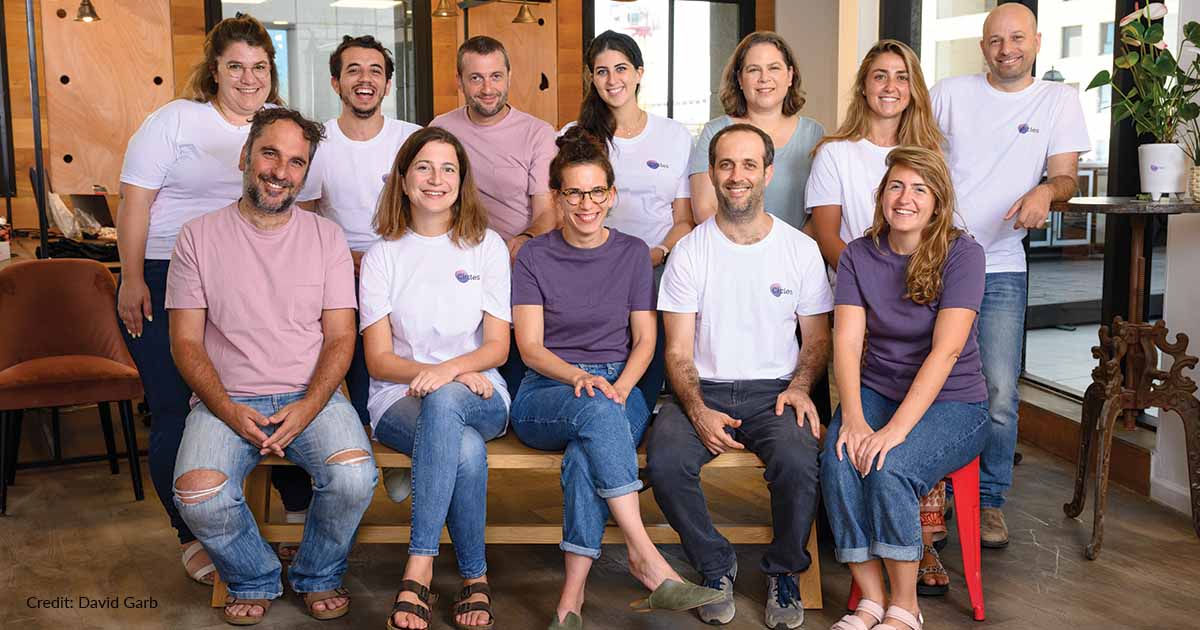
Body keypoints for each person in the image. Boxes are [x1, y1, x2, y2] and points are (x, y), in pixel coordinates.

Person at [115, 14, 311, 587]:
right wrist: (131, 278)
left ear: (271, 71)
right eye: (236, 67)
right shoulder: (175, 120)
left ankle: (289, 515)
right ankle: (192, 534)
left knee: (275, 393)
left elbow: (303, 208)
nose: (249, 78)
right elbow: (134, 203)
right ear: (215, 70)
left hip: (252, 279)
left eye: (259, 67)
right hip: (164, 274)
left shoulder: (282, 126)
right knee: (176, 407)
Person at [167, 108, 376, 626]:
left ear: (306, 172)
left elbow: (341, 337)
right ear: (245, 156)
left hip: (313, 397)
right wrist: (228, 410)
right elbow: (186, 343)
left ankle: (319, 573)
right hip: (227, 399)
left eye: (296, 162)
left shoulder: (326, 238)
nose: (281, 171)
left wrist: (308, 407)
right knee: (198, 496)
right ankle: (253, 576)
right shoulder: (196, 237)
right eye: (270, 154)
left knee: (354, 479)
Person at [509, 127, 722, 630]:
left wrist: (622, 388)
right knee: (598, 413)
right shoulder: (534, 256)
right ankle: (645, 555)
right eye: (574, 193)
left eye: (596, 192)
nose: (586, 204)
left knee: (586, 456)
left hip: (619, 384)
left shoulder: (632, 253)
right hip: (548, 390)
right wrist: (582, 379)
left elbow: (645, 340)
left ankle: (570, 600)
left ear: (612, 195)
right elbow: (531, 349)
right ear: (557, 197)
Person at [646, 124, 832, 629]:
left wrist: (799, 388)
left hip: (777, 392)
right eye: (726, 164)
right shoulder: (691, 251)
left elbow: (817, 338)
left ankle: (784, 570)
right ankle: (715, 564)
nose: (737, 175)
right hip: (701, 389)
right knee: (665, 461)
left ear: (768, 173)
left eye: (749, 164)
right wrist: (696, 409)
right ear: (711, 173)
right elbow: (677, 350)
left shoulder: (799, 249)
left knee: (799, 460)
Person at [931, 2, 1090, 547]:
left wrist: (1046, 189)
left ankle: (988, 500)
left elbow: (1066, 176)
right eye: (996, 40)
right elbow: (916, 161)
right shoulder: (949, 93)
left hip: (1001, 264)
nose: (1007, 50)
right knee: (934, 380)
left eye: (1018, 38)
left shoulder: (1058, 100)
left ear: (1037, 42)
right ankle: (933, 493)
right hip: (938, 260)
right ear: (983, 47)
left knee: (998, 389)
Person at [805, 39, 953, 596]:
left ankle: (922, 541)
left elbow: (941, 233)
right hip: (855, 300)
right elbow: (825, 233)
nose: (890, 86)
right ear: (863, 86)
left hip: (926, 299)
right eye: (879, 76)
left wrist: (909, 287)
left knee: (923, 410)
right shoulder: (835, 153)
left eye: (901, 76)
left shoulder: (933, 151)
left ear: (914, 88)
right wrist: (875, 283)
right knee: (858, 427)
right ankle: (865, 544)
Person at [823, 146, 989, 630]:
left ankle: (905, 607)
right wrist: (854, 419)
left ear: (937, 201)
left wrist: (894, 431)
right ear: (881, 194)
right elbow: (847, 342)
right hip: (878, 389)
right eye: (896, 186)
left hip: (956, 402)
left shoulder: (964, 254)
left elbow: (946, 353)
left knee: (890, 465)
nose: (905, 198)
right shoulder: (859, 255)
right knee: (838, 458)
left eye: (920, 189)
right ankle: (871, 601)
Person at [359, 127, 510, 630]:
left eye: (448, 168)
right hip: (398, 397)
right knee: (463, 448)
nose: (436, 179)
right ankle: (474, 577)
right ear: (403, 180)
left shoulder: (486, 246)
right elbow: (379, 359)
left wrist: (450, 372)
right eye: (423, 167)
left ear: (462, 181)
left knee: (446, 405)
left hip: (483, 392)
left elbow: (497, 347)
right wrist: (444, 376)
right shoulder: (382, 255)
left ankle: (418, 567)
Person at [297, 34, 422, 428]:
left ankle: (401, 425)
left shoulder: (412, 139)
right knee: (349, 361)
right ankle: (357, 432)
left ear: (387, 84)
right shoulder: (315, 143)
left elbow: (434, 213)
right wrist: (341, 259)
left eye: (375, 71)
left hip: (406, 271)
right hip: (339, 273)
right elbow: (302, 222)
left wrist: (386, 260)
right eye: (353, 70)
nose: (365, 79)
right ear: (336, 83)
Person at [567, 29, 695, 407]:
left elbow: (684, 219)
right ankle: (602, 402)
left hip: (657, 263)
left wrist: (657, 252)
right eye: (602, 71)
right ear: (591, 78)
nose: (612, 79)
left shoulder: (674, 135)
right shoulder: (575, 137)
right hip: (592, 263)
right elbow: (566, 210)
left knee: (653, 335)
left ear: (639, 72)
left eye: (621, 68)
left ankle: (640, 407)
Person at [431, 35, 558, 401]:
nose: (487, 88)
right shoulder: (441, 129)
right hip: (455, 256)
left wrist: (523, 241)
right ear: (459, 81)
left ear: (509, 77)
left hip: (518, 258)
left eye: (496, 77)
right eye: (476, 78)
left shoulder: (537, 133)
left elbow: (546, 213)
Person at [688, 31, 824, 230]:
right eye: (753, 70)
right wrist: (750, 244)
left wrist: (791, 246)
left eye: (774, 68)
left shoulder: (814, 134)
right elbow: (704, 209)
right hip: (727, 246)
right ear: (739, 79)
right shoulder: (714, 132)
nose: (764, 78)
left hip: (796, 248)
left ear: (790, 76)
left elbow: (821, 215)